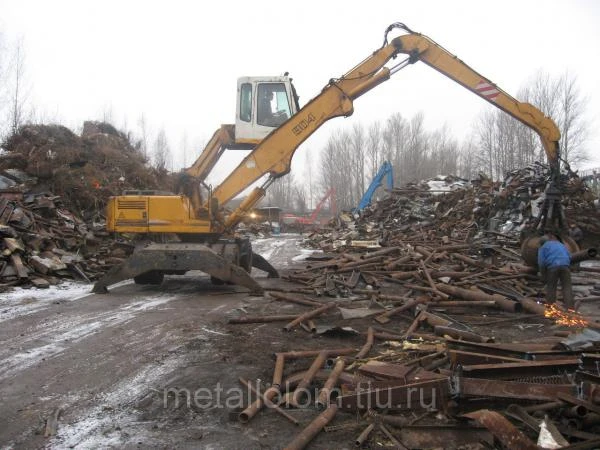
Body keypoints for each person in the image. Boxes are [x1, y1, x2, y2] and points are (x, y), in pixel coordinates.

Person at [537, 232, 574, 309]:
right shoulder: (561, 245)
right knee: (567, 287)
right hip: (565, 266)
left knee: (551, 287)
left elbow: (541, 263)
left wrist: (543, 275)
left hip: (553, 267)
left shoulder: (543, 247)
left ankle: (551, 308)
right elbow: (569, 257)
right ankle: (570, 308)